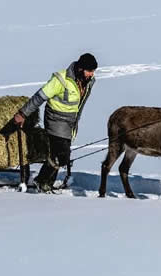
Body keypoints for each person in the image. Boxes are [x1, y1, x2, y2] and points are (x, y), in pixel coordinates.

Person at [13, 53, 98, 193]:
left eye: (93, 71)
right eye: (89, 71)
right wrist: (23, 114)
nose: (92, 74)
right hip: (55, 119)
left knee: (58, 155)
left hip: (70, 123)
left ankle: (47, 183)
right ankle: (41, 180)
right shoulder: (61, 79)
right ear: (80, 68)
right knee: (62, 156)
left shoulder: (88, 82)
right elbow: (40, 96)